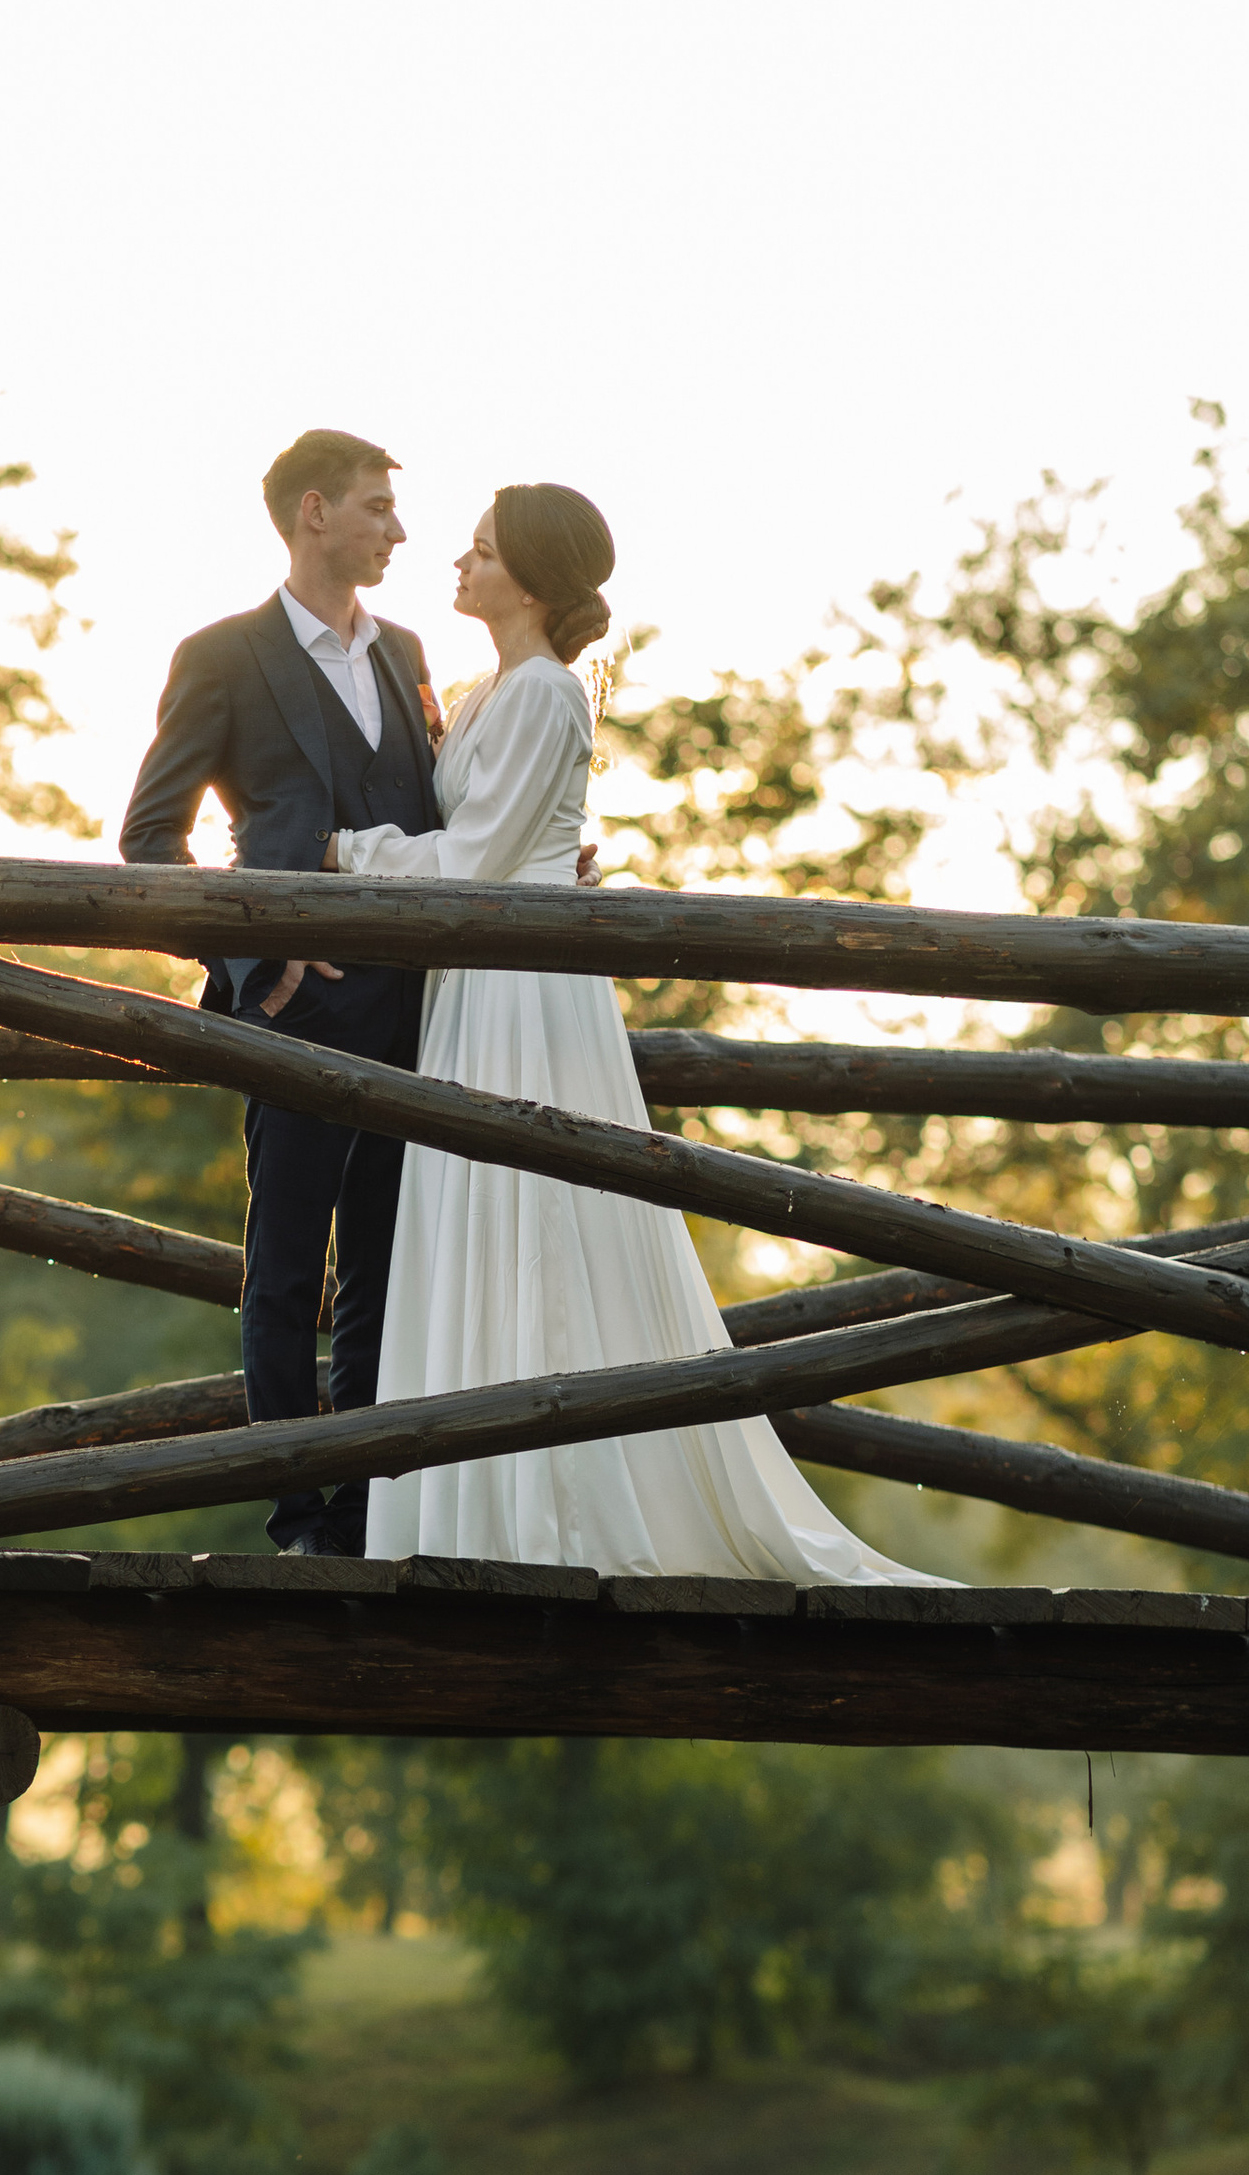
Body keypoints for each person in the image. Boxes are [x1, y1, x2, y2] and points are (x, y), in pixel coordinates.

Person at [326, 481, 925, 1582]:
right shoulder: (481, 689)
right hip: (476, 974)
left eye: (482, 549)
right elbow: (496, 838)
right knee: (480, 1206)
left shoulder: (549, 690)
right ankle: (481, 1494)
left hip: (525, 980)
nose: (457, 562)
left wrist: (338, 854)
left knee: (541, 1206)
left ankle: (558, 1506)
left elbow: (478, 860)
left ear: (534, 579)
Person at [118, 428, 441, 1556]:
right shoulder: (221, 655)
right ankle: (297, 1518)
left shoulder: (404, 651)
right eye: (375, 508)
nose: (396, 530)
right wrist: (254, 955)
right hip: (294, 1012)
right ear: (313, 513)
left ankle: (361, 1509)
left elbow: (432, 819)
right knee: (289, 1264)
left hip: (420, 1005)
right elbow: (148, 841)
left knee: (389, 1260)